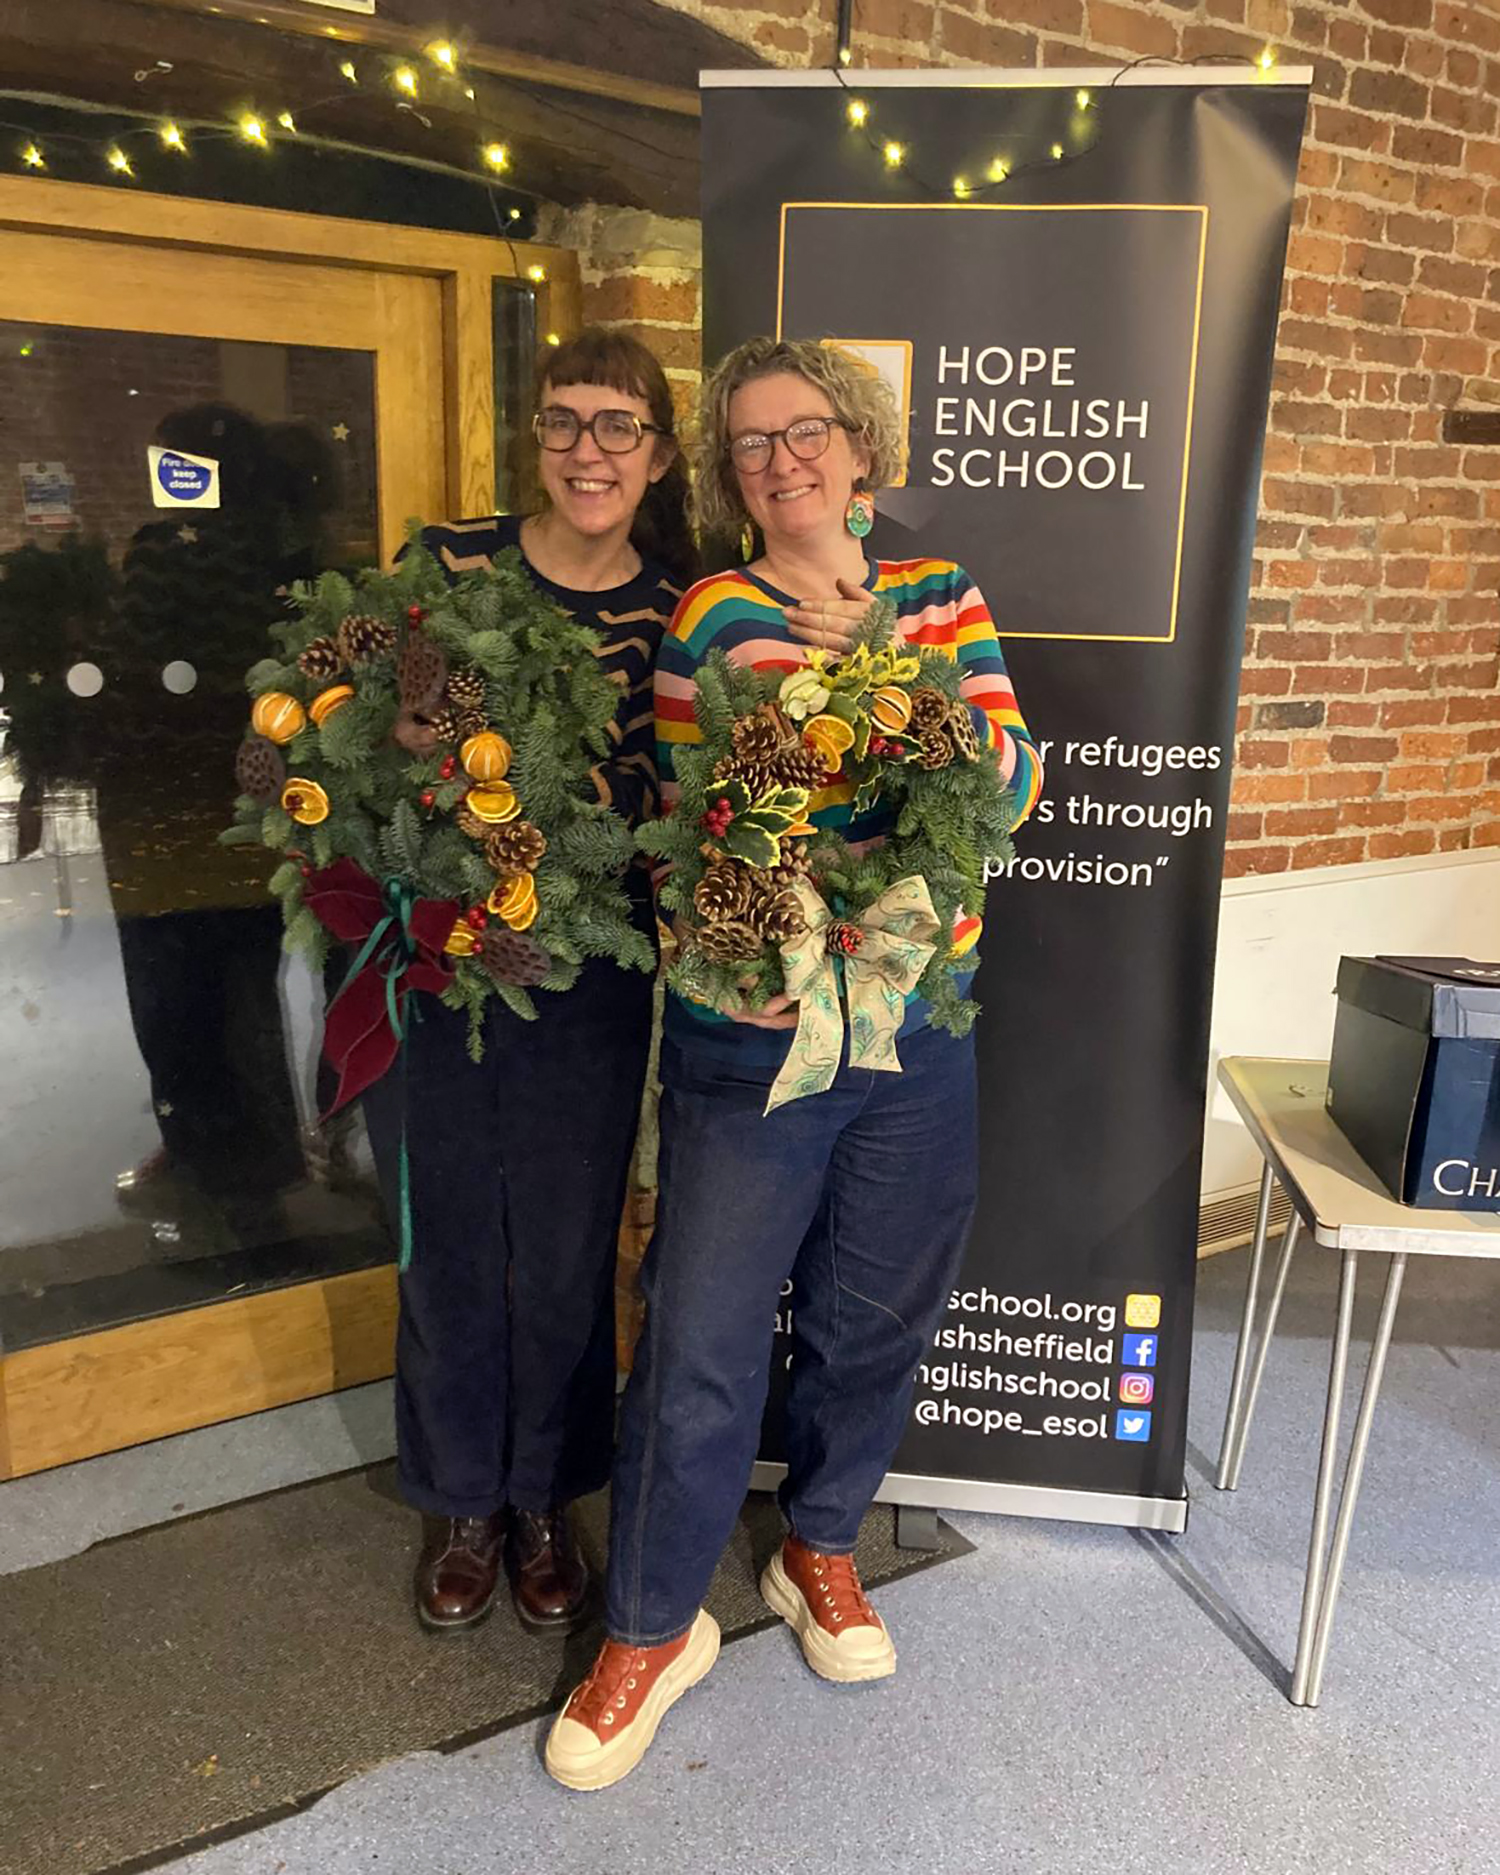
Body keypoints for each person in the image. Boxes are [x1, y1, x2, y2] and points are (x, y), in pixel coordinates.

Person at [546, 336, 1043, 1789]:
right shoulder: (711, 614)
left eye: (805, 431)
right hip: (747, 1042)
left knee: (876, 1313)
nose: (782, 460)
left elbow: (1010, 785)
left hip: (915, 1026)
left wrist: (895, 679)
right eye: (752, 445)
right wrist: (790, 779)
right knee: (698, 1339)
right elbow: (703, 838)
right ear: (731, 476)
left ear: (860, 445)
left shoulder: (942, 599)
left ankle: (818, 1549)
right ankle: (650, 1624)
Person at [364, 329, 692, 1636]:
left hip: (587, 973)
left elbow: (674, 800)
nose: (586, 451)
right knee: (447, 1240)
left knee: (562, 1252)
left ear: (659, 455)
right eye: (563, 422)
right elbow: (371, 741)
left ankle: (548, 1495)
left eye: (618, 426)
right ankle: (462, 1499)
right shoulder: (447, 566)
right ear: (535, 439)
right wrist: (417, 742)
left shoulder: (676, 606)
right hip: (446, 954)